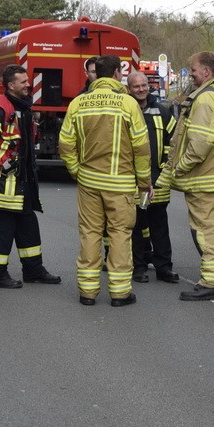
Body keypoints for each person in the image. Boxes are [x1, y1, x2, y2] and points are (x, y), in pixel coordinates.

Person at [60, 55, 151, 306]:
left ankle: (87, 293)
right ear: (117, 74)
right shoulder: (128, 104)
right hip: (120, 184)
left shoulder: (78, 103)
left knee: (90, 234)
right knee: (120, 234)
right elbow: (141, 147)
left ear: (95, 74)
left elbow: (65, 144)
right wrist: (144, 182)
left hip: (89, 182)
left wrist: (77, 171)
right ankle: (120, 293)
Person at [157, 51, 214, 301]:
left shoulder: (203, 100)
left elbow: (200, 143)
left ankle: (211, 282)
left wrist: (179, 168)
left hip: (203, 177)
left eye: (193, 69)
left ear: (206, 71)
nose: (190, 74)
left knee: (205, 230)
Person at [0, 64, 61, 288]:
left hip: (22, 182)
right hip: (3, 183)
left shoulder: (23, 107)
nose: (28, 84)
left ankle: (33, 270)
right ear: (11, 85)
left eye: (27, 81)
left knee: (28, 226)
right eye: (23, 82)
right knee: (2, 229)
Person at [126, 71, 180, 284]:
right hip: (131, 179)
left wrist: (165, 167)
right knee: (136, 225)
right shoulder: (125, 110)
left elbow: (173, 141)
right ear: (129, 88)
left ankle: (164, 268)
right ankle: (138, 268)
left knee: (160, 226)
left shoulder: (162, 111)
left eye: (144, 85)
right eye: (136, 86)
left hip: (158, 178)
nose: (141, 89)